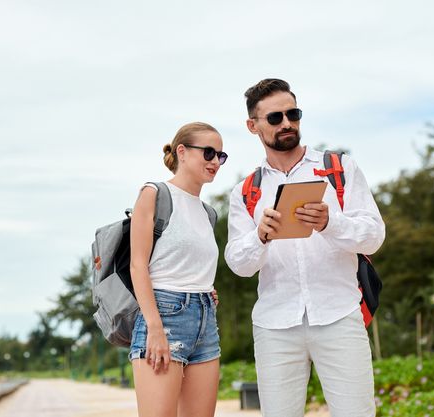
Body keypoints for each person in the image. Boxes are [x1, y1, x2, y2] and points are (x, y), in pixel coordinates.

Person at [225, 79, 385, 417]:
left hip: (339, 314)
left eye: (293, 114)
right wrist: (260, 236)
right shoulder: (245, 191)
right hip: (274, 325)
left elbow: (374, 236)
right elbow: (238, 264)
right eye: (275, 118)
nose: (286, 123)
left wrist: (331, 223)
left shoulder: (339, 169)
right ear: (253, 126)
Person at [129, 122, 227, 417]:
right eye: (209, 153)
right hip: (164, 315)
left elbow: (187, 261)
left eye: (221, 156)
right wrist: (155, 329)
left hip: (205, 320)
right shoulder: (154, 194)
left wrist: (205, 289)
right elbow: (138, 265)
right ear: (182, 152)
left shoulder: (208, 212)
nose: (215, 162)